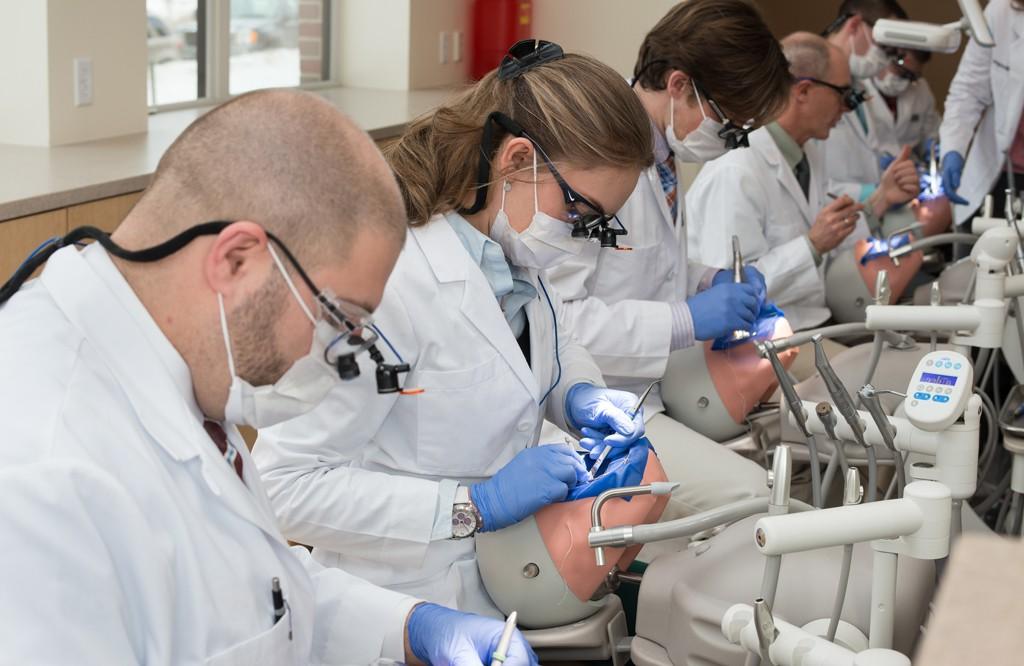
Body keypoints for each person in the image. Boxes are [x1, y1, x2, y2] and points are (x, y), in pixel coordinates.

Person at [0, 90, 535, 665]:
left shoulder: (180, 366)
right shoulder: (39, 475)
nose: (343, 356)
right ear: (236, 261)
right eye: (339, 319)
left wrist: (404, 627)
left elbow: (244, 590)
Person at [254, 43, 649, 617]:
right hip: (401, 602)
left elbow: (557, 350)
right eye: (578, 212)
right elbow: (282, 486)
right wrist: (474, 505)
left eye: (598, 224)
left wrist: (580, 396)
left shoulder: (515, 255)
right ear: (515, 161)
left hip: (508, 579)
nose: (581, 235)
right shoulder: (391, 283)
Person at [543, 0, 791, 520]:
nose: (729, 145)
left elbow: (639, 264)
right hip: (592, 406)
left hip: (648, 387)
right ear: (679, 86)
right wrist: (686, 320)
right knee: (753, 496)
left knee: (774, 443)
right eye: (728, 126)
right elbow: (555, 321)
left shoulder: (662, 156)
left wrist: (705, 278)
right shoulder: (596, 158)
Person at [687, 33, 917, 331]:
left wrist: (881, 200)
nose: (848, 109)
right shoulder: (736, 170)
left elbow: (825, 238)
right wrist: (810, 246)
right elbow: (731, 288)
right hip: (759, 343)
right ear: (804, 91)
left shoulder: (808, 155)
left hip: (810, 321)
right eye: (843, 95)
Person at [819, 0, 920, 220]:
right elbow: (810, 184)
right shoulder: (812, 82)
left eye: (893, 54)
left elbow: (875, 148)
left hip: (860, 217)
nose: (885, 59)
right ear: (855, 25)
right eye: (885, 48)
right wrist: (875, 192)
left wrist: (890, 179)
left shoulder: (860, 87)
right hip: (825, 221)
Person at [940, 0, 1024, 225]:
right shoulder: (1000, 11)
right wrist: (953, 148)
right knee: (980, 252)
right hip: (998, 171)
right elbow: (968, 90)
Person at [868, 48, 941, 166]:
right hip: (869, 173)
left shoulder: (920, 89)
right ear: (887, 58)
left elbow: (930, 132)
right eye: (902, 73)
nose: (905, 82)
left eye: (912, 76)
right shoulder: (859, 86)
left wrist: (933, 148)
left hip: (908, 170)